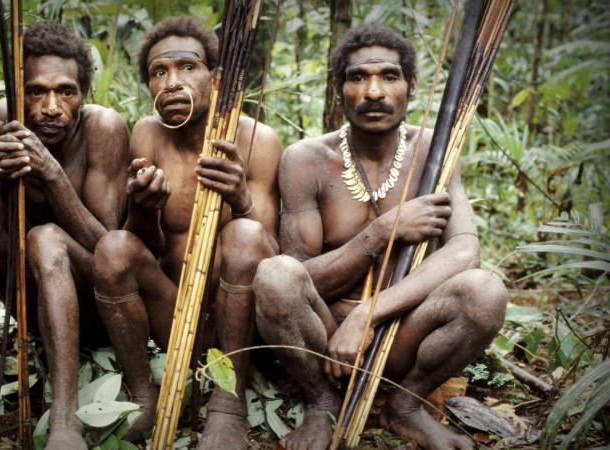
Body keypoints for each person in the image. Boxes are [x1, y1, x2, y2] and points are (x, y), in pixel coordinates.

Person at [252, 25, 508, 450]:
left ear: (410, 86)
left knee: (485, 292)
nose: (374, 91)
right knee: (275, 275)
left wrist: (368, 314)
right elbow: (299, 276)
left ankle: (405, 406)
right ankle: (322, 404)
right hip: (325, 339)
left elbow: (465, 250)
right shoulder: (307, 160)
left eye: (389, 76)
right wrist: (379, 232)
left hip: (403, 331)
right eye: (358, 77)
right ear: (339, 89)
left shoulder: (434, 149)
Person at [0, 22, 129, 450]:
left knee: (47, 237)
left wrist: (50, 173)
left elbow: (108, 250)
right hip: (31, 299)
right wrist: (2, 179)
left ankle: (65, 420)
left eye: (66, 91)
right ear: (19, 91)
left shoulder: (103, 129)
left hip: (94, 302)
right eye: (36, 91)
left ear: (84, 94)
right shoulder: (3, 117)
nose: (52, 106)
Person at [90, 16, 281, 449]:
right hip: (172, 316)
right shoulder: (146, 134)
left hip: (237, 324)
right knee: (114, 246)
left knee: (244, 234)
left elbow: (271, 256)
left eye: (186, 67)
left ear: (215, 79)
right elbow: (148, 247)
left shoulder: (257, 140)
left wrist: (241, 200)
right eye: (160, 72)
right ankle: (144, 397)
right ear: (149, 86)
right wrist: (143, 210)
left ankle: (227, 400)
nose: (173, 82)